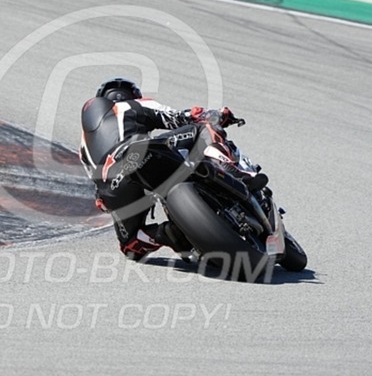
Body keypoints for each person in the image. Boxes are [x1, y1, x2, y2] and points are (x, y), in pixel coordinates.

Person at [79, 78, 267, 261]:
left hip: (111, 188)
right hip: (139, 154)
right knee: (205, 128)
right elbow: (178, 118)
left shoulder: (84, 146)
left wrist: (108, 201)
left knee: (131, 245)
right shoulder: (130, 106)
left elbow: (95, 183)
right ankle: (236, 173)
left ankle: (168, 233)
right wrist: (217, 115)